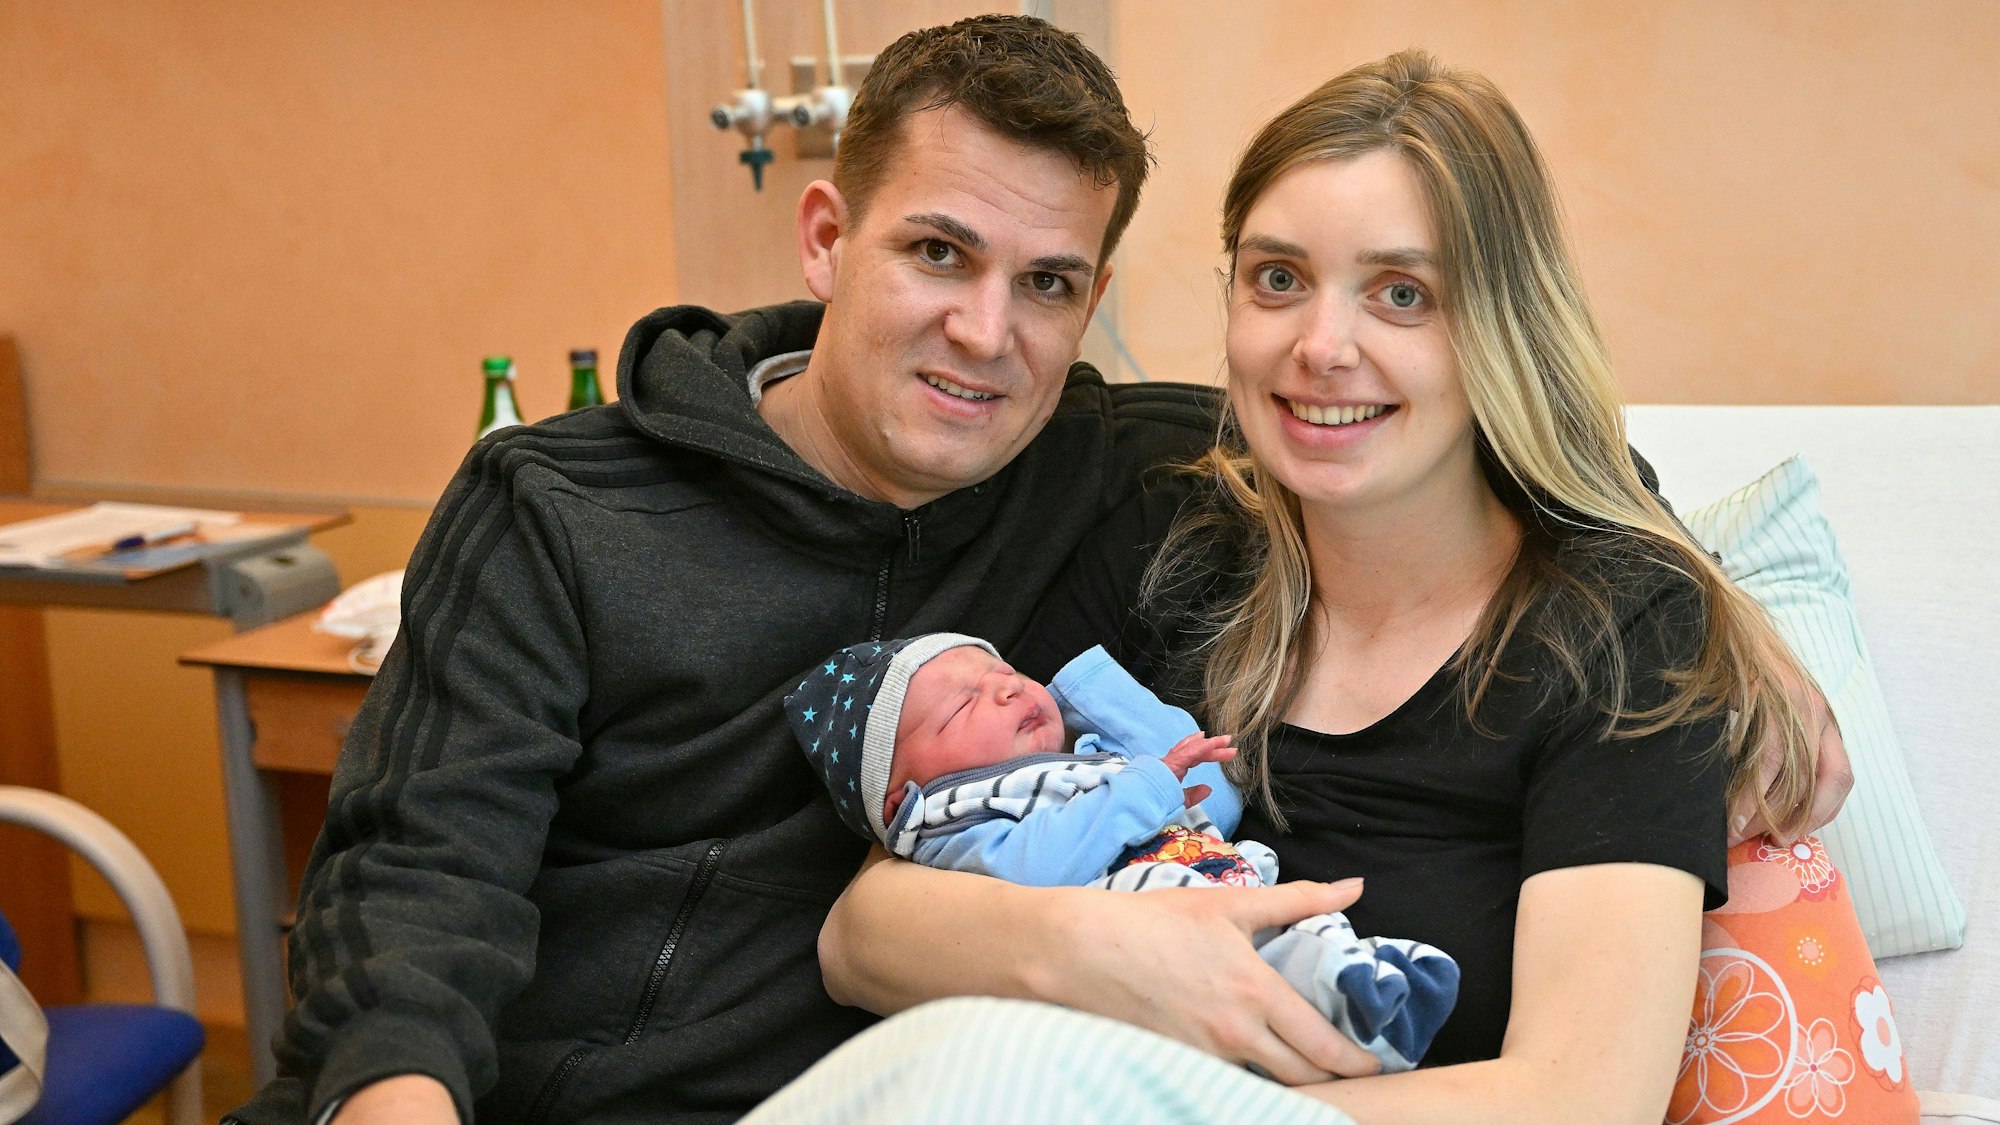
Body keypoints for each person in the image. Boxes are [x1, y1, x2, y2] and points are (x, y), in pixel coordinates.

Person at [227, 16, 1392, 1125]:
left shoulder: (1116, 479)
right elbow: (416, 885)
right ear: (826, 239)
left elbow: (1413, 431)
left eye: (1045, 283)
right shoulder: (556, 503)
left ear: (1090, 300)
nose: (986, 334)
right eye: (938, 253)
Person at [815, 49, 1850, 1122]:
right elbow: (863, 934)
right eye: (1276, 279)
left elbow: (1581, 1099)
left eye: (1399, 294)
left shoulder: (1614, 626)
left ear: (1501, 326)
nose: (1319, 347)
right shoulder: (1166, 540)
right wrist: (1105, 950)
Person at [786, 633, 1459, 1072]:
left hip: (1217, 880)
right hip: (1138, 947)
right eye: (962, 706)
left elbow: (1212, 793)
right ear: (901, 798)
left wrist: (1086, 688)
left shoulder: (1084, 761)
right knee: (1253, 964)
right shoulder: (958, 823)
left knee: (1287, 922)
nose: (1006, 687)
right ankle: (1347, 997)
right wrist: (1147, 782)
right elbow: (1040, 869)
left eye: (1008, 671)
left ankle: (1365, 989)